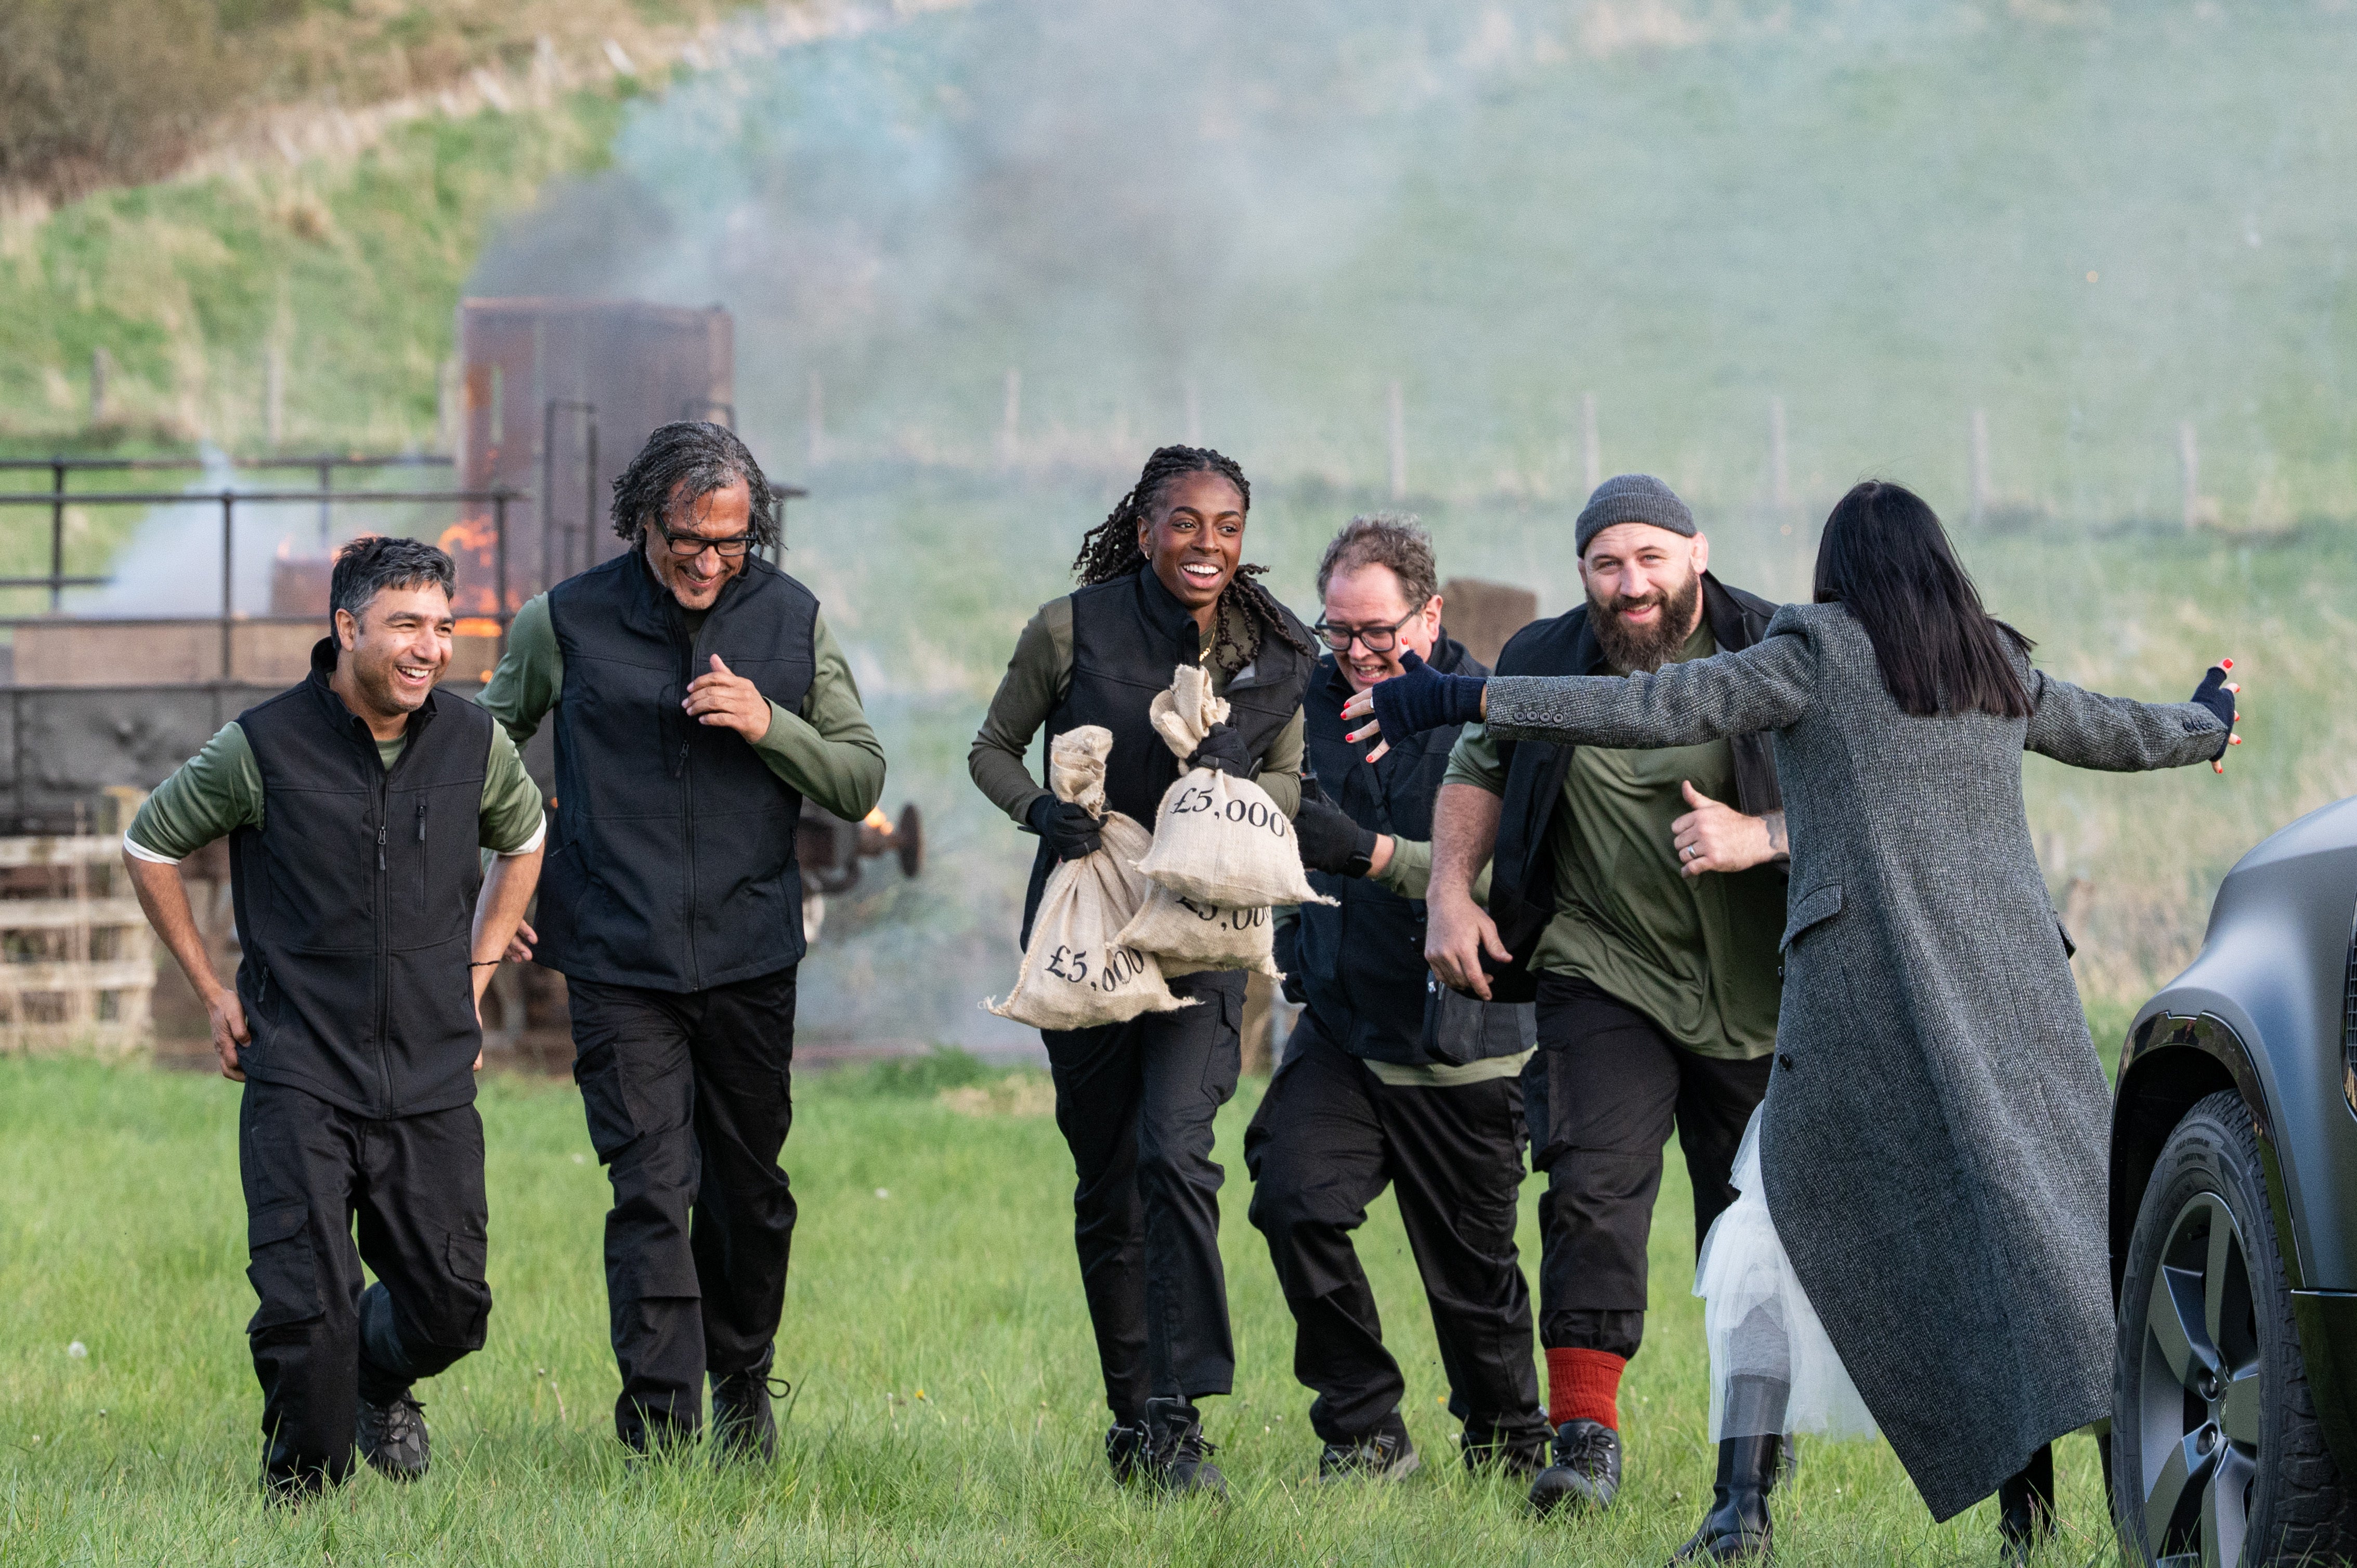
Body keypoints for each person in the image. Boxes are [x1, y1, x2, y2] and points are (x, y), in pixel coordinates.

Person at [1342, 478, 2243, 1554]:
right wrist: (2205, 721)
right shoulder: (1994, 662)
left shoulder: (1810, 647)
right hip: (2017, 1003)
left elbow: (1651, 708)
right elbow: (2115, 730)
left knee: (1765, 1233)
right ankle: (2057, 1518)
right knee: (2034, 1238)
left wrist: (1465, 699)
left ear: (1837, 574)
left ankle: (1741, 1513)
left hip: (1858, 1006)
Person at [478, 421, 885, 1459]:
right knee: (652, 1186)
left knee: (751, 1194)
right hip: (617, 954)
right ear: (642, 521)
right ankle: (660, 1428)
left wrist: (766, 722)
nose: (709, 561)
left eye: (731, 542)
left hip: (751, 951)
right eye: (686, 540)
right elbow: (478, 749)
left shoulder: (793, 621)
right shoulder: (560, 618)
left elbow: (858, 777)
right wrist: (506, 874)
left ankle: (743, 1380)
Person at [122, 536, 546, 1503]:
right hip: (299, 1073)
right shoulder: (261, 746)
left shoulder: (475, 743)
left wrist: (475, 978)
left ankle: (381, 1379)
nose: (429, 648)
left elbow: (525, 841)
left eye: (442, 628)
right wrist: (212, 992)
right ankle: (301, 1505)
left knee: (451, 1310)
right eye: (406, 625)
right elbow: (150, 845)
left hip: (433, 1075)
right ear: (347, 627)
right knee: (306, 1317)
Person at [1418, 475, 1792, 1519]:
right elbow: (1475, 757)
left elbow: (1872, 788)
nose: (1629, 585)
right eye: (1605, 563)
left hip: (1761, 989)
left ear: (1696, 555)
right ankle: (1582, 1439)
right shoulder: (1544, 656)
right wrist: (1449, 893)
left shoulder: (1775, 647)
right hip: (1601, 966)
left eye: (1649, 559)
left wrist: (1754, 836)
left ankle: (1753, 1435)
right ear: (1580, 569)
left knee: (1754, 1216)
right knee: (1589, 1185)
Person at [969, 445, 1318, 1495]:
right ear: (1142, 524)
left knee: (1173, 1149)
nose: (1204, 544)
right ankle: (1133, 1415)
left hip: (1203, 932)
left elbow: (1293, 781)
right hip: (1082, 934)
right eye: (1182, 522)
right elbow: (990, 747)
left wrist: (1227, 799)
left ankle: (1179, 1412)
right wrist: (1040, 809)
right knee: (1107, 1175)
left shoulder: (1271, 647)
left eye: (1224, 526)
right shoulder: (1067, 627)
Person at [1242, 513, 1549, 1484]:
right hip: (1339, 1031)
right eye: (1337, 630)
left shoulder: (1496, 714)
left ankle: (1509, 1450)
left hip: (1466, 1037)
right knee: (1292, 1201)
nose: (1357, 652)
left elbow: (1527, 888)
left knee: (1471, 1281)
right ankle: (1365, 1432)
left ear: (1431, 614)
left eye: (1377, 631)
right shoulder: (1300, 698)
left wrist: (1379, 860)